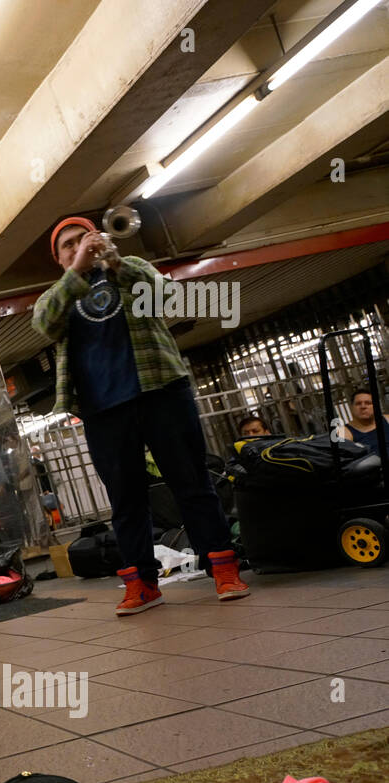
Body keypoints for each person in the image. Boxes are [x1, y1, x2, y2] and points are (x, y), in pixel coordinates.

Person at [32, 215, 249, 614]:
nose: (81, 245)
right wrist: (79, 270)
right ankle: (142, 585)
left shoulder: (131, 271)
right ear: (60, 259)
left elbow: (170, 299)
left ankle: (224, 569)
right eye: (69, 245)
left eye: (85, 237)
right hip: (102, 408)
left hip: (161, 389)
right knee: (126, 499)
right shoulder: (56, 296)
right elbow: (44, 324)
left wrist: (117, 262)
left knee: (192, 481)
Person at [338, 388, 389, 452]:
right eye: (358, 404)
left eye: (368, 403)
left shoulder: (387, 419)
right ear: (352, 407)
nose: (363, 406)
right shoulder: (344, 432)